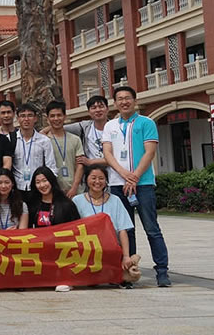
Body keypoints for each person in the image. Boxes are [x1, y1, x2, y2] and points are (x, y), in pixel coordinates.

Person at [103, 85, 171, 287]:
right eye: (120, 99)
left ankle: (162, 272)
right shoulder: (110, 126)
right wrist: (124, 175)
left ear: (135, 100)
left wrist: (134, 178)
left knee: (152, 228)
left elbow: (150, 152)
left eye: (128, 98)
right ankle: (128, 273)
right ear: (115, 103)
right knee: (125, 230)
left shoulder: (146, 122)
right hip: (118, 184)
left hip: (144, 184)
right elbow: (107, 154)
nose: (124, 102)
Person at [73, 164, 140, 287]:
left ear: (106, 181)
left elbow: (122, 230)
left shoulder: (115, 200)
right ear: (86, 180)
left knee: (122, 278)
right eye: (93, 178)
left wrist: (126, 256)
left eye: (101, 178)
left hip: (112, 250)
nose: (97, 182)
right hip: (88, 251)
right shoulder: (77, 201)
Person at [12, 104, 55, 194]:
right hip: (17, 187)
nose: (26, 119)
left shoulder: (44, 141)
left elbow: (51, 166)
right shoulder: (11, 139)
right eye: (22, 116)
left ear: (35, 118)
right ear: (18, 119)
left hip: (38, 188)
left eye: (30, 115)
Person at [45, 101, 85, 195]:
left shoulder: (75, 139)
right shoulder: (45, 141)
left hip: (75, 191)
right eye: (52, 116)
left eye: (59, 115)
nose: (56, 119)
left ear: (65, 117)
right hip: (53, 192)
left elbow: (80, 165)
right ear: (47, 119)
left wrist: (74, 188)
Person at [78, 95, 111, 167]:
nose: (98, 110)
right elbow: (60, 127)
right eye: (94, 108)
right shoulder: (84, 126)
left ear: (107, 109)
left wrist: (91, 162)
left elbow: (117, 157)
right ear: (89, 112)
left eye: (101, 106)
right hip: (94, 172)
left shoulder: (116, 127)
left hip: (114, 171)